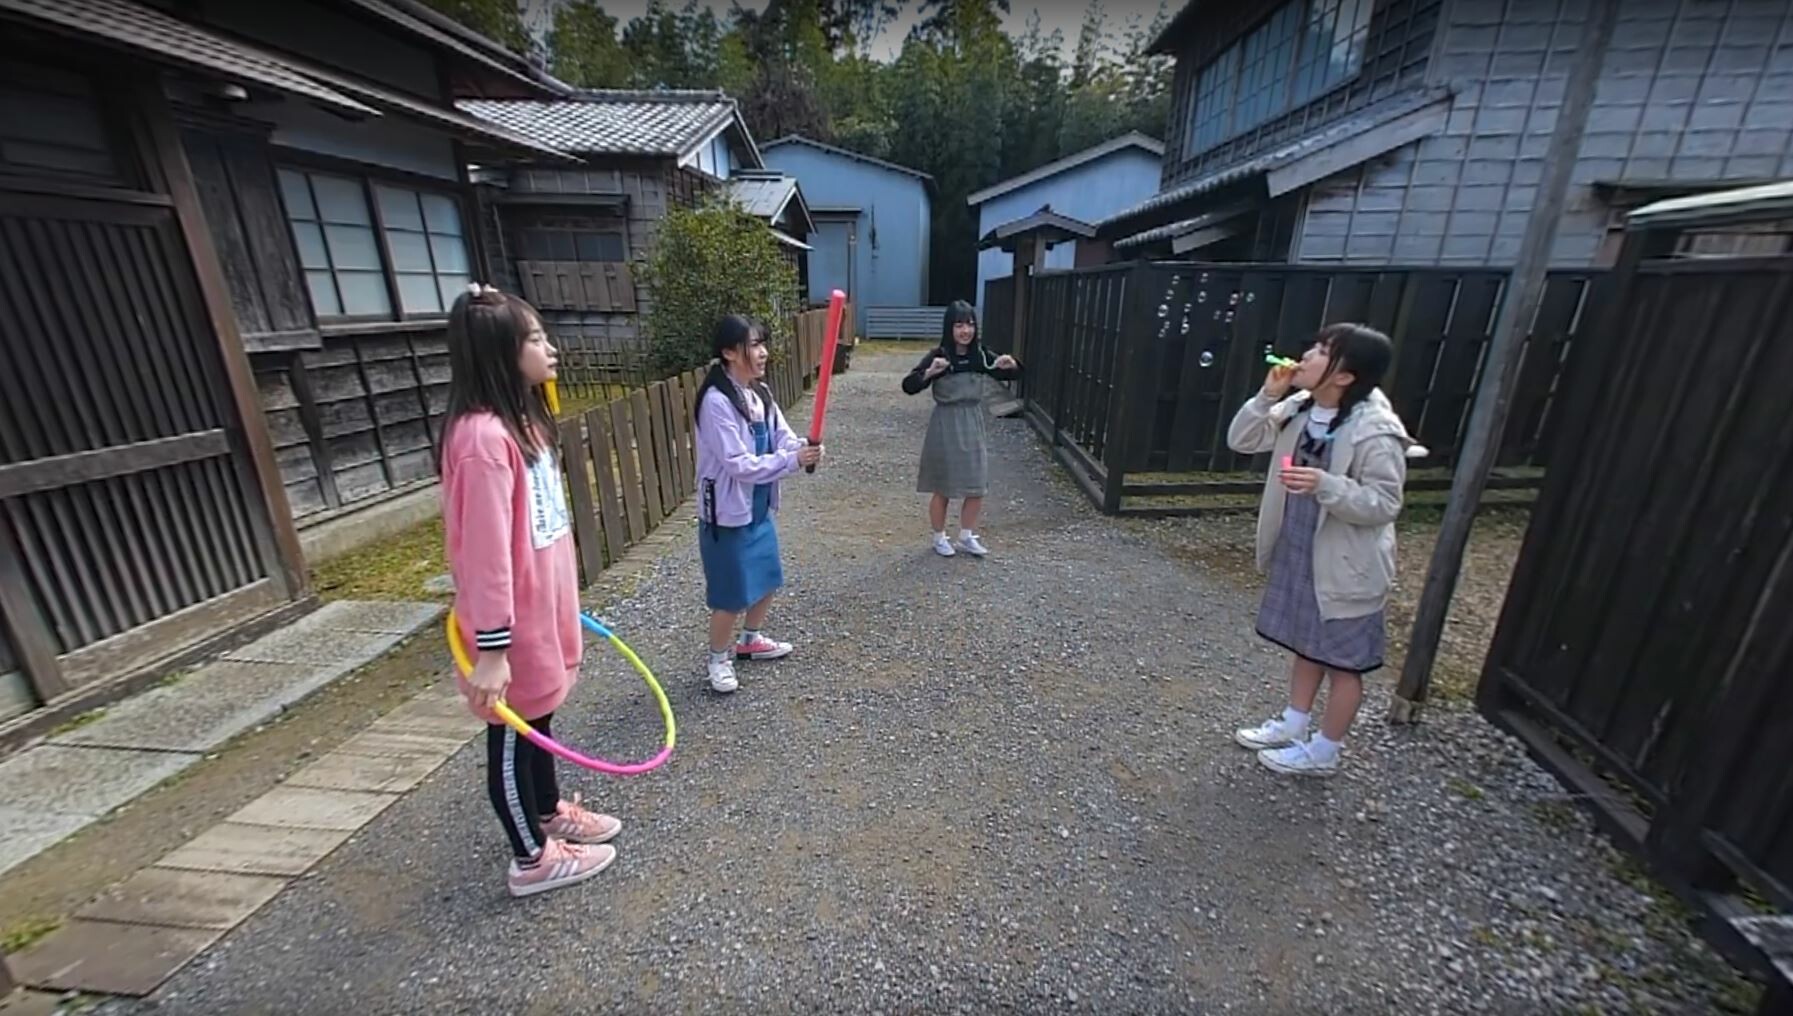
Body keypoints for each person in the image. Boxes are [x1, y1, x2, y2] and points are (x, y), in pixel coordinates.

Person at [440, 284, 621, 897]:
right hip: (508, 627)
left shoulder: (521, 424)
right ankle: (531, 859)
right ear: (501, 352)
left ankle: (546, 812)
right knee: (513, 738)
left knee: (539, 719)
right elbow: (485, 555)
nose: (551, 348)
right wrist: (492, 650)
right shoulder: (482, 441)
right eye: (536, 339)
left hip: (541, 611)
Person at [1226, 323, 1411, 777]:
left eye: (1323, 351)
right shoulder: (1301, 406)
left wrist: (1326, 485)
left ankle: (1325, 751)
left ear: (1345, 376)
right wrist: (1267, 396)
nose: (1307, 355)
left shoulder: (1375, 430)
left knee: (1344, 664)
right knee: (1306, 644)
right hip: (1300, 547)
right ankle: (1294, 722)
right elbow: (1242, 440)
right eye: (1314, 346)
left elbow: (1385, 503)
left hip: (1347, 564)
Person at [693, 315, 823, 694]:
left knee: (768, 578)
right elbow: (739, 464)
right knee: (730, 595)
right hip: (727, 515)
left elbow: (783, 438)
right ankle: (718, 658)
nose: (763, 352)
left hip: (758, 507)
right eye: (754, 345)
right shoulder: (716, 402)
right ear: (729, 352)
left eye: (763, 343)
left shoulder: (759, 393)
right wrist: (793, 460)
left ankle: (750, 641)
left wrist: (804, 448)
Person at [901, 300, 1020, 557]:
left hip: (972, 421)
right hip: (945, 422)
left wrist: (1011, 364)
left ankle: (966, 536)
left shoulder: (980, 355)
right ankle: (938, 537)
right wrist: (930, 372)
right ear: (949, 328)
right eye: (959, 325)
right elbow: (909, 385)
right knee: (943, 486)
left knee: (977, 483)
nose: (965, 331)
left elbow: (1011, 374)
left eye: (970, 325)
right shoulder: (940, 355)